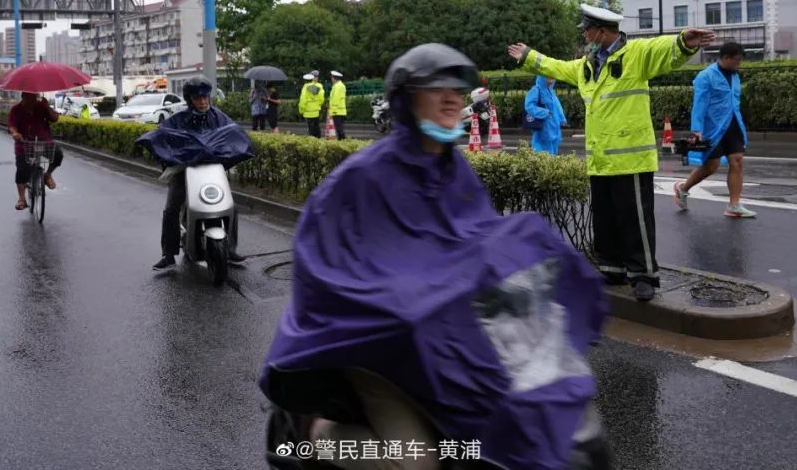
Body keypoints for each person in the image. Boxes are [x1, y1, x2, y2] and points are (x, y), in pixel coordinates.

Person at [260, 43, 608, 470]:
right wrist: (396, 305)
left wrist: (530, 250)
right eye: (435, 86)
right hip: (378, 346)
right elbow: (322, 265)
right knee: (418, 462)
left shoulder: (454, 169)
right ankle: (310, 436)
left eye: (458, 88)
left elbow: (475, 238)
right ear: (407, 98)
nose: (451, 97)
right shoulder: (361, 177)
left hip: (445, 333)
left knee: (504, 431)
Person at [508, 4, 715, 301]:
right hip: (601, 158)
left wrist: (683, 41)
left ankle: (643, 274)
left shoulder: (635, 55)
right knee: (605, 219)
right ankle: (612, 268)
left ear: (601, 32)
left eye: (587, 31)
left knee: (635, 219)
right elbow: (556, 67)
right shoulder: (587, 66)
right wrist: (529, 56)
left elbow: (661, 48)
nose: (584, 36)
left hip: (631, 158)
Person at [154, 75, 246, 270]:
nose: (203, 101)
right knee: (171, 208)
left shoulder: (219, 117)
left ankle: (229, 249)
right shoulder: (179, 119)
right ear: (190, 100)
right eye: (197, 98)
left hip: (212, 170)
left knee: (232, 206)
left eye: (205, 97)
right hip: (185, 169)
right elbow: (163, 132)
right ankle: (168, 254)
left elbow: (233, 132)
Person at [674, 42, 757, 219]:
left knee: (737, 161)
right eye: (737, 60)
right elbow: (699, 104)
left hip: (733, 125)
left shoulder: (735, 76)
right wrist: (696, 129)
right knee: (711, 166)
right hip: (714, 127)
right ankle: (683, 188)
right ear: (725, 58)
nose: (739, 64)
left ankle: (734, 205)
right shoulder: (706, 76)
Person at [7, 92, 64, 211]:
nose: (32, 101)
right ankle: (22, 199)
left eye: (34, 98)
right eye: (29, 98)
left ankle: (47, 175)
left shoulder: (41, 106)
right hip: (25, 144)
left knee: (57, 154)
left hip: (44, 142)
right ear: (23, 98)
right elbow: (11, 126)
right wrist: (15, 133)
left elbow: (55, 118)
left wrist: (46, 106)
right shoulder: (16, 110)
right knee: (22, 168)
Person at [524, 75, 566, 155]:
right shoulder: (536, 90)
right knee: (541, 151)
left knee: (553, 149)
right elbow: (529, 106)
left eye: (553, 77)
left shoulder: (551, 92)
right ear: (542, 77)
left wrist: (562, 118)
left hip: (554, 127)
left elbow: (557, 106)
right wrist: (544, 112)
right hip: (543, 126)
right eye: (549, 77)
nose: (552, 79)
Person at [298, 72, 325, 138]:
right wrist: (318, 104)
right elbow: (321, 98)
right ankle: (318, 139)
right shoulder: (318, 86)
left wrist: (301, 110)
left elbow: (303, 100)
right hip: (316, 110)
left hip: (308, 111)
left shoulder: (305, 87)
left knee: (311, 128)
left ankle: (312, 141)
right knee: (317, 126)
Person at [329, 70, 347, 140]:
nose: (331, 79)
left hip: (337, 111)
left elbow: (335, 99)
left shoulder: (337, 86)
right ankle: (342, 141)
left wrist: (333, 111)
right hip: (341, 110)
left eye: (332, 78)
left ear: (334, 78)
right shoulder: (341, 85)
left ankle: (342, 141)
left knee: (339, 129)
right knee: (340, 128)